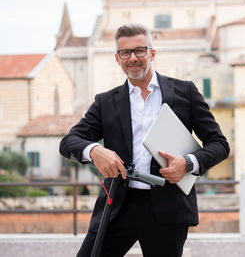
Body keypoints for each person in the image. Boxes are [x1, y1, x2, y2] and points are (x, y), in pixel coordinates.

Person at [59, 23, 230, 257]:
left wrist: (188, 163)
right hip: (117, 206)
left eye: (139, 50)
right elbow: (69, 142)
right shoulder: (105, 102)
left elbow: (219, 144)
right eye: (125, 53)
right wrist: (95, 151)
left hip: (168, 207)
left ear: (152, 53)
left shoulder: (185, 92)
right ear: (117, 59)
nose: (133, 58)